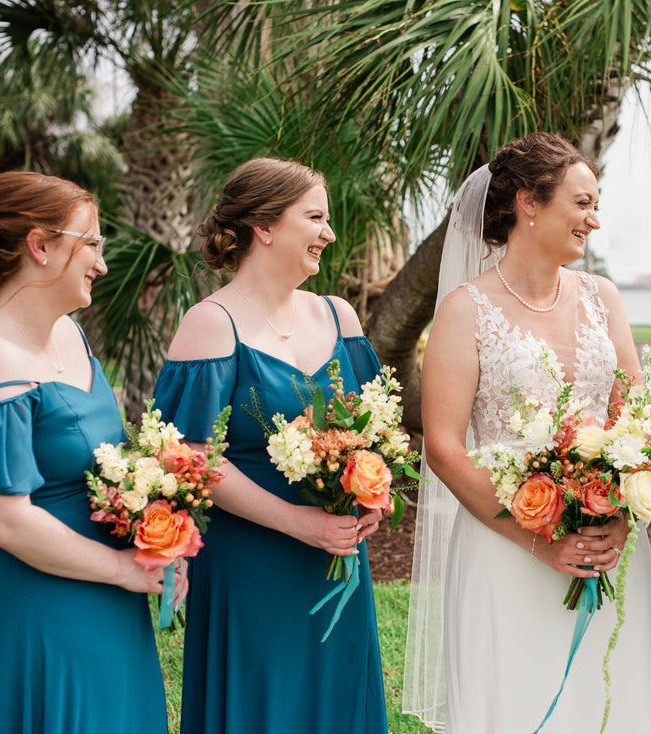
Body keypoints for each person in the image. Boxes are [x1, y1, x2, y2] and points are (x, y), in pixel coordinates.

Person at [402, 132, 651, 733]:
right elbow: (443, 446)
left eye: (596, 205)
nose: (594, 220)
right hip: (505, 545)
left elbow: (633, 420)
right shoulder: (465, 309)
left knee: (604, 706)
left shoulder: (603, 298)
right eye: (582, 203)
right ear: (529, 202)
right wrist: (539, 542)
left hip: (603, 543)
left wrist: (620, 519)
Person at [151, 158, 387, 734]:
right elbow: (189, 456)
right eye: (316, 217)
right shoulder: (212, 323)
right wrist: (296, 521)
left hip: (336, 557)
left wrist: (371, 493)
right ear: (265, 226)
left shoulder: (339, 316)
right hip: (251, 559)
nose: (330, 233)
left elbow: (373, 428)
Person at [0, 171, 172, 733]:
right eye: (91, 244)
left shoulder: (70, 334)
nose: (101, 264)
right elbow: (1, 522)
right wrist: (121, 569)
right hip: (42, 604)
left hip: (112, 598)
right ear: (39, 245)